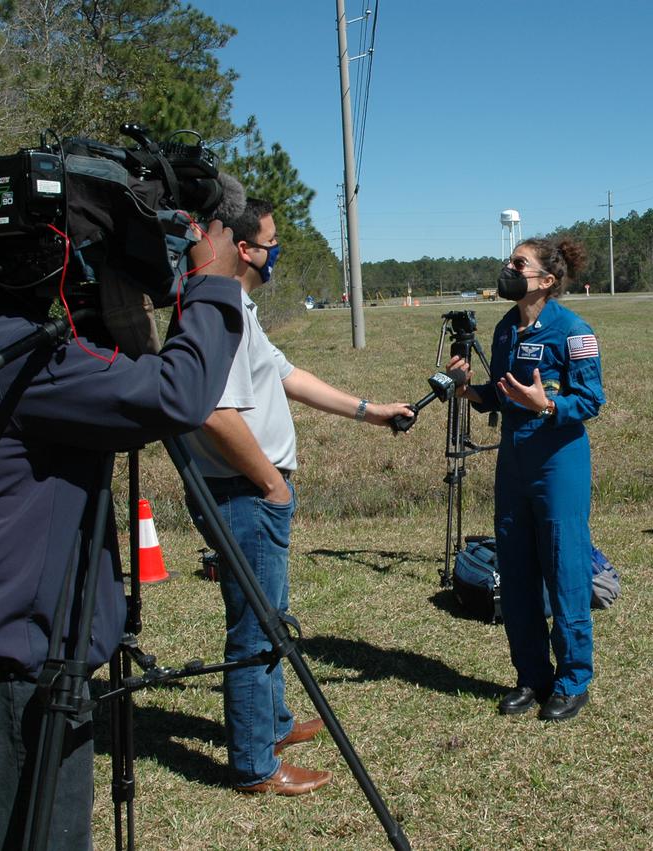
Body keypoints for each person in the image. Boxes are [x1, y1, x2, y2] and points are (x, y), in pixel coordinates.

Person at [0, 150, 245, 849]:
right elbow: (178, 394)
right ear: (19, 250)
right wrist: (211, 282)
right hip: (5, 671)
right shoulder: (10, 356)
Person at [184, 197, 414, 795]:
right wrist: (270, 482)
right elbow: (212, 411)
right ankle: (256, 766)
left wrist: (369, 411)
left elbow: (286, 375)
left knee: (271, 616)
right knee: (257, 627)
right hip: (243, 492)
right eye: (270, 240)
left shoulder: (237, 302)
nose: (275, 250)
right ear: (242, 247)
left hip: (251, 490)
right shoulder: (218, 307)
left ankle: (275, 725)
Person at [448, 237, 605, 722]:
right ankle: (531, 675)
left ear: (546, 280)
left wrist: (550, 405)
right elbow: (501, 396)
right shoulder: (502, 330)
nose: (509, 269)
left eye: (519, 263)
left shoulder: (574, 331)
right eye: (509, 262)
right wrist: (466, 389)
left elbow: (592, 401)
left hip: (559, 464)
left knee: (564, 569)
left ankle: (572, 679)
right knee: (515, 571)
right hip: (513, 464)